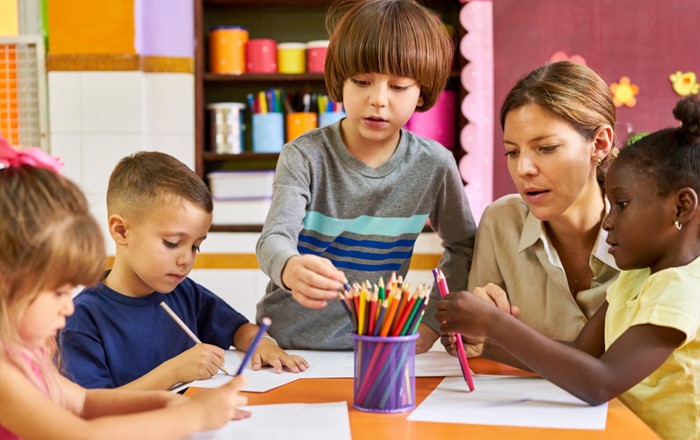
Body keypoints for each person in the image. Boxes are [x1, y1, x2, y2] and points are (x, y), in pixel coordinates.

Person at [437, 95, 700, 439]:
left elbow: (600, 381)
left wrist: (495, 323)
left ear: (681, 208)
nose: (608, 221)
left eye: (621, 205)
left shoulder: (680, 289)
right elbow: (580, 353)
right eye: (512, 152)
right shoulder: (637, 277)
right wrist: (483, 342)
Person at [255, 0, 475, 352]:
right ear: (340, 82)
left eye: (399, 86)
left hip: (380, 344)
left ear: (422, 93)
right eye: (362, 81)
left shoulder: (434, 164)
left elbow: (463, 246)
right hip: (288, 347)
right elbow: (273, 238)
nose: (378, 100)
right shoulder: (304, 156)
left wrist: (432, 323)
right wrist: (290, 267)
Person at [0, 139, 249, 439]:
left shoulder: (26, 357)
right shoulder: (4, 377)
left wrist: (168, 401)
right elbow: (80, 435)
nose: (68, 306)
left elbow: (84, 401)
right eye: (57, 292)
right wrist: (192, 417)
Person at [60, 151, 308, 391]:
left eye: (195, 246)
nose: (186, 259)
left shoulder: (184, 293)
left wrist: (262, 343)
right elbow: (90, 409)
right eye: (171, 243)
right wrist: (172, 373)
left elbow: (238, 329)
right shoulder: (82, 318)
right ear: (121, 231)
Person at [443, 61, 621, 358]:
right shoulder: (500, 222)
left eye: (547, 148)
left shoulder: (647, 231)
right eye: (512, 152)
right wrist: (467, 336)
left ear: (599, 143)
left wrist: (500, 337)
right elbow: (480, 345)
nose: (523, 169)